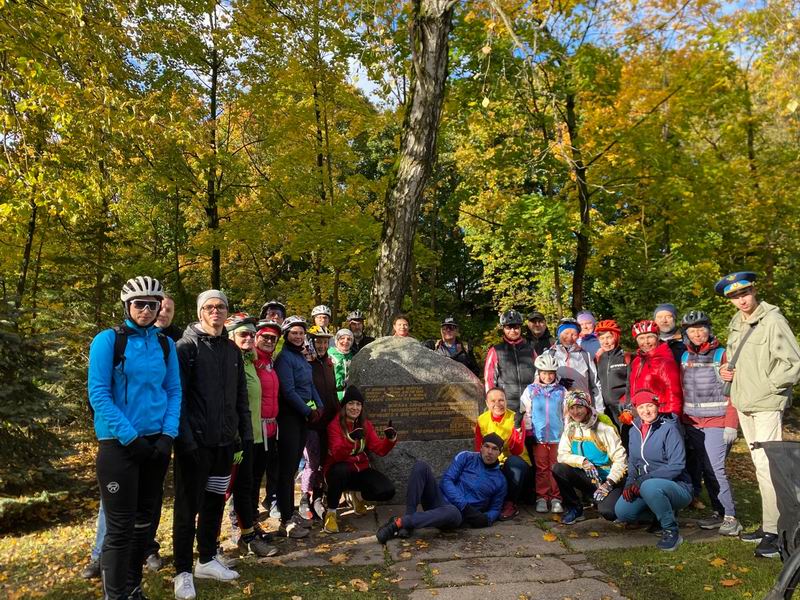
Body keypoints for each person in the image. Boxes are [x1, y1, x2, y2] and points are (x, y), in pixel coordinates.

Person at [87, 276, 181, 600]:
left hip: (155, 444)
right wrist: (130, 438)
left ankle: (133, 588)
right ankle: (115, 595)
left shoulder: (165, 345)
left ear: (159, 308)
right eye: (139, 303)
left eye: (152, 304)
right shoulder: (108, 341)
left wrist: (168, 435)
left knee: (144, 524)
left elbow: (173, 391)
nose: (145, 309)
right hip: (118, 446)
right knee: (119, 529)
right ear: (127, 306)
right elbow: (98, 394)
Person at [172, 289, 253, 599]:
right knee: (187, 507)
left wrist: (244, 431)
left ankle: (206, 558)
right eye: (209, 307)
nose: (216, 311)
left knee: (215, 501)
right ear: (200, 312)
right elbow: (176, 397)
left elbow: (240, 396)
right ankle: (182, 571)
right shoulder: (186, 348)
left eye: (220, 307)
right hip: (194, 444)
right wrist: (185, 439)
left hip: (224, 443)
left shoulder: (232, 351)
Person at [716, 271, 800, 558]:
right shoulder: (736, 323)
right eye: (735, 297)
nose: (741, 300)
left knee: (769, 468)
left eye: (744, 293)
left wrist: (768, 387)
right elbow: (736, 363)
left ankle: (779, 532)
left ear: (753, 290)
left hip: (765, 404)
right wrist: (723, 372)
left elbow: (792, 364)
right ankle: (769, 526)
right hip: (744, 403)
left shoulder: (773, 320)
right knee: (759, 467)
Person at [375, 432, 507, 544]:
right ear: (481, 447)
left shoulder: (500, 480)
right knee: (421, 466)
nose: (489, 452)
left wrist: (487, 519)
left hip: (456, 516)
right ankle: (408, 519)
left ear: (500, 452)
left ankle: (398, 524)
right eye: (487, 446)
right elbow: (446, 480)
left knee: (452, 511)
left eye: (494, 449)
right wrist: (464, 505)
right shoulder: (466, 457)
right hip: (439, 501)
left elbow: (495, 508)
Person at [679, 310, 742, 537]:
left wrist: (731, 424)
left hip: (718, 421)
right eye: (692, 330)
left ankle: (731, 517)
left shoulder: (722, 355)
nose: (697, 333)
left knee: (717, 469)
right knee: (706, 469)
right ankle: (718, 512)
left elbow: (734, 392)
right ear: (685, 333)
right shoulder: (685, 357)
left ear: (709, 329)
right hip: (693, 422)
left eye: (701, 328)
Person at [224, 314, 278, 558]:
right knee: (227, 491)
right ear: (231, 337)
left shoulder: (249, 360)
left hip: (254, 435)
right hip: (234, 438)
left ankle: (248, 533)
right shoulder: (229, 361)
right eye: (242, 334)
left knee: (248, 486)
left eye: (249, 334)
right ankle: (225, 538)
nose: (247, 338)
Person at [614, 390, 692, 552]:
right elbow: (634, 463)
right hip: (646, 486)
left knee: (649, 486)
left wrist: (643, 481)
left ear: (657, 406)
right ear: (636, 410)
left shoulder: (669, 429)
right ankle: (662, 513)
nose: (646, 411)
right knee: (622, 512)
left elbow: (677, 465)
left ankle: (671, 530)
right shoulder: (634, 430)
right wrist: (630, 484)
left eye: (650, 406)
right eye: (641, 407)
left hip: (677, 487)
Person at [274, 315, 323, 538]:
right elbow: (288, 390)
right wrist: (307, 410)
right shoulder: (284, 358)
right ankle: (286, 517)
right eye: (294, 333)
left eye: (301, 333)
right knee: (287, 470)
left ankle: (289, 513)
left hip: (303, 418)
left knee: (294, 466)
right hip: (289, 418)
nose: (298, 336)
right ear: (286, 335)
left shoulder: (301, 357)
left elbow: (310, 384)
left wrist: (319, 406)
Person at [323, 386, 397, 533]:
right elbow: (337, 455)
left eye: (358, 404)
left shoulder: (366, 425)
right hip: (337, 472)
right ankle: (331, 513)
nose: (355, 408)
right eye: (351, 404)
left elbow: (379, 449)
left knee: (387, 490)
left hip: (359, 469)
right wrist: (351, 440)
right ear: (344, 406)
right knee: (341, 470)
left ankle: (357, 496)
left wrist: (390, 439)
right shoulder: (334, 425)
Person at [552, 389, 627, 525]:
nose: (576, 412)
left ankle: (615, 501)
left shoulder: (604, 428)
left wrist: (608, 483)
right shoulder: (570, 429)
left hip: (608, 479)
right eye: (572, 408)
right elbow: (562, 455)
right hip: (589, 478)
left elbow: (620, 459)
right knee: (559, 469)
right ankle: (574, 508)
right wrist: (583, 461)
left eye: (579, 407)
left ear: (587, 407)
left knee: (609, 513)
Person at [301, 325, 340, 521]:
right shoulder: (307, 363)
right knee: (312, 462)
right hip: (312, 422)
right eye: (318, 341)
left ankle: (318, 497)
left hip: (330, 421)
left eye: (325, 341)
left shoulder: (329, 363)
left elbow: (332, 391)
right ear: (311, 341)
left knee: (325, 461)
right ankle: (304, 498)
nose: (322, 345)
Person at [520, 353, 566, 514]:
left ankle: (556, 498)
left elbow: (565, 413)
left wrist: (567, 433)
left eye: (551, 373)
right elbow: (526, 412)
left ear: (555, 374)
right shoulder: (531, 390)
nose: (547, 376)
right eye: (544, 373)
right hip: (538, 436)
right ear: (538, 373)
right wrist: (529, 431)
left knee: (555, 468)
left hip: (557, 436)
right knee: (541, 468)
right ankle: (541, 497)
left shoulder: (561, 391)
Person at [474, 388, 530, 520]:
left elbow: (516, 450)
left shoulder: (515, 418)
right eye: (493, 401)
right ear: (487, 403)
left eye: (501, 400)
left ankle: (510, 503)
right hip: (494, 463)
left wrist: (517, 429)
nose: (497, 404)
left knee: (513, 462)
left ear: (506, 401)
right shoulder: (481, 420)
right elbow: (478, 449)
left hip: (517, 465)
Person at [484, 310, 537, 421]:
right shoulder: (495, 350)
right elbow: (489, 380)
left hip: (530, 404)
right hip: (506, 405)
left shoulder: (530, 350)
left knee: (530, 437)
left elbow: (539, 376)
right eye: (509, 327)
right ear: (503, 329)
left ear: (520, 328)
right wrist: (493, 403)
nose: (513, 330)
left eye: (516, 327)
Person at [253, 320, 281, 520]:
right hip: (255, 428)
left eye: (273, 338)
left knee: (268, 469)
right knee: (252, 476)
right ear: (256, 337)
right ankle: (245, 518)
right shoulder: (252, 360)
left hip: (271, 427)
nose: (269, 341)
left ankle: (259, 509)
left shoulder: (271, 361)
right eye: (265, 337)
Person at [546, 318, 603, 413]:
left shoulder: (585, 355)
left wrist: (600, 411)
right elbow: (538, 383)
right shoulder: (549, 355)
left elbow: (595, 385)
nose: (569, 337)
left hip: (582, 409)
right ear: (559, 334)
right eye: (566, 333)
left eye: (574, 334)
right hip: (556, 409)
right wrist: (556, 383)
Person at [629, 320, 683, 417]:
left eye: (650, 337)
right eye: (641, 338)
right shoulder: (637, 361)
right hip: (642, 415)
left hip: (661, 415)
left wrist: (671, 417)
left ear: (657, 337)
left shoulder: (665, 361)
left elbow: (674, 393)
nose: (646, 342)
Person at [594, 320, 632, 442]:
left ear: (616, 337)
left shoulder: (626, 357)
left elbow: (631, 383)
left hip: (621, 408)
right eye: (602, 338)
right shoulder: (599, 358)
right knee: (610, 442)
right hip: (605, 409)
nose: (605, 341)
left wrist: (627, 406)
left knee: (626, 440)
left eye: (609, 337)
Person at [328, 328, 355, 401]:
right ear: (337, 341)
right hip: (332, 395)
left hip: (348, 394)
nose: (345, 341)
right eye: (342, 338)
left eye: (349, 339)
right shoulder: (329, 354)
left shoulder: (353, 356)